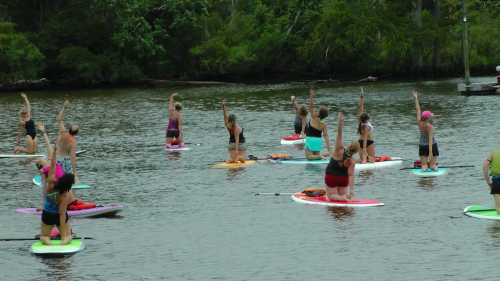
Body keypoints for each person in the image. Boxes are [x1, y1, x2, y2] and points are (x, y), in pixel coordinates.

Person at [39, 144, 75, 245]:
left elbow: (53, 165)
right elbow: (62, 213)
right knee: (68, 236)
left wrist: (54, 152)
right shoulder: (65, 195)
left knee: (44, 236)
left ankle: (48, 243)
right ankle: (63, 242)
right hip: (58, 215)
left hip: (47, 213)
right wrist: (63, 231)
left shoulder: (51, 182)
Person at [324, 112, 359, 201]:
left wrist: (340, 123)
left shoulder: (339, 150)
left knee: (330, 196)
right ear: (356, 152)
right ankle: (345, 196)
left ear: (349, 145)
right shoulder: (352, 161)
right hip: (343, 181)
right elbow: (351, 176)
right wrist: (351, 192)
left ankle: (341, 198)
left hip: (332, 178)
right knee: (343, 193)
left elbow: (339, 135)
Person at [413, 91, 439, 171]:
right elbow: (430, 141)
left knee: (424, 166)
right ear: (428, 118)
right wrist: (430, 153)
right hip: (431, 146)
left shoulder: (419, 122)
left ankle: (424, 171)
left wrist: (416, 98)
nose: (432, 116)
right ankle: (432, 167)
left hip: (422, 145)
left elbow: (418, 110)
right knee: (433, 166)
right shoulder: (430, 127)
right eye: (430, 116)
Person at [56, 99, 80, 182]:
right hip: (66, 161)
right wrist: (75, 173)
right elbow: (73, 157)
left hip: (58, 160)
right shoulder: (73, 142)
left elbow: (59, 119)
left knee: (60, 180)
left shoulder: (63, 133)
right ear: (76, 133)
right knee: (67, 183)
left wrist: (64, 107)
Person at [304, 88, 331, 160]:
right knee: (315, 157)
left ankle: (320, 156)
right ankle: (326, 154)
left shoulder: (314, 118)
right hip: (318, 142)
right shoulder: (323, 125)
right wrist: (329, 148)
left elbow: (311, 106)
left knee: (308, 157)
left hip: (310, 140)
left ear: (319, 112)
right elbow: (326, 136)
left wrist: (311, 96)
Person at [357, 89, 375, 163]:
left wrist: (361, 97)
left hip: (360, 142)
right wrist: (364, 149)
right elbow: (365, 138)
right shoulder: (367, 126)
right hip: (368, 142)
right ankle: (366, 161)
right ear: (367, 119)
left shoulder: (360, 121)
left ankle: (364, 161)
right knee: (371, 161)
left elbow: (361, 108)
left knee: (363, 161)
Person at [483, 147, 500, 214]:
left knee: (498, 207)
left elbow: (485, 166)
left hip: (497, 180)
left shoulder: (493, 153)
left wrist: (488, 181)